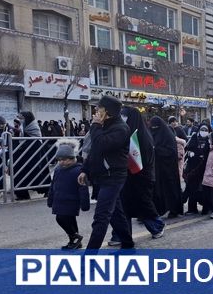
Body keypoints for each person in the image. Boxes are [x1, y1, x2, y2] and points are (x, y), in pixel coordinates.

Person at [78, 96, 135, 250]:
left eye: (99, 108)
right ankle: (128, 245)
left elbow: (101, 145)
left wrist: (95, 126)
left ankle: (89, 259)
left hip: (114, 177)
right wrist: (84, 170)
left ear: (107, 111)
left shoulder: (121, 128)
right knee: (116, 214)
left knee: (101, 217)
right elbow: (94, 152)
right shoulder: (103, 126)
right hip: (102, 176)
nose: (96, 111)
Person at [119, 106, 165, 239]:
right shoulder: (125, 133)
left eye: (124, 116)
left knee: (143, 205)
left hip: (141, 176)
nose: (122, 118)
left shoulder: (142, 136)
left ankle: (156, 226)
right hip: (127, 176)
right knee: (124, 206)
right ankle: (122, 235)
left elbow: (143, 159)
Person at [47, 139, 90, 249]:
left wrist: (85, 204)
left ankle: (75, 236)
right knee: (70, 221)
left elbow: (83, 189)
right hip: (59, 200)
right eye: (59, 160)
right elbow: (53, 185)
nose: (61, 162)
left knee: (60, 219)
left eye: (64, 160)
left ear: (72, 158)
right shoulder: (58, 170)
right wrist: (50, 198)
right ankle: (74, 241)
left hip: (71, 201)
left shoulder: (78, 171)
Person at [149, 116, 184, 218]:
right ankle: (156, 210)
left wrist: (157, 150)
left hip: (168, 168)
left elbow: (171, 151)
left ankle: (173, 209)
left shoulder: (167, 135)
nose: (154, 128)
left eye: (156, 126)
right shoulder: (151, 133)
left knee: (170, 189)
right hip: (156, 168)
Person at [184, 123, 211, 215]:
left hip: (205, 167)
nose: (204, 132)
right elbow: (188, 148)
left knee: (204, 189)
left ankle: (206, 208)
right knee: (192, 187)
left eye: (206, 130)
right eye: (202, 129)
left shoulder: (210, 139)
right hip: (193, 167)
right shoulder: (194, 137)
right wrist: (190, 153)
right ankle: (192, 208)